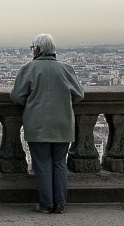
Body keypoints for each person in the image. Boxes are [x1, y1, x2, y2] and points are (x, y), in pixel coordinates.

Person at [10, 33, 84, 214]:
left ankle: (45, 204)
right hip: (62, 123)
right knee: (59, 163)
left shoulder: (29, 68)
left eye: (32, 48)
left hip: (37, 124)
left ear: (37, 49)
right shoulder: (66, 69)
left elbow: (17, 97)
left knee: (42, 164)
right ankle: (59, 204)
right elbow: (79, 95)